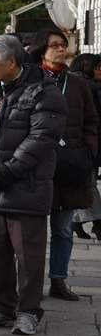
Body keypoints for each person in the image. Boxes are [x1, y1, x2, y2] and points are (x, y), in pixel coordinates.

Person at [0, 34, 67, 336]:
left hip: (27, 185)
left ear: (11, 61)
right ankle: (1, 306)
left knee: (29, 254)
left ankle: (28, 310)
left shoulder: (43, 93)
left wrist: (9, 171)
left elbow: (41, 139)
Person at [28, 29, 98, 301]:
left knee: (63, 228)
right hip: (35, 163)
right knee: (32, 231)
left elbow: (92, 121)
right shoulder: (30, 79)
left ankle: (58, 279)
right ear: (41, 50)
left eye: (63, 45)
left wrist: (89, 152)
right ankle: (30, 281)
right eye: (54, 45)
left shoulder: (78, 83)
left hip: (70, 165)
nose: (60, 50)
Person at [70, 53, 101, 241]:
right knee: (88, 184)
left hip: (92, 144)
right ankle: (97, 222)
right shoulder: (86, 88)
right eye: (97, 67)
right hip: (84, 145)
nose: (100, 71)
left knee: (88, 184)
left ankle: (76, 221)